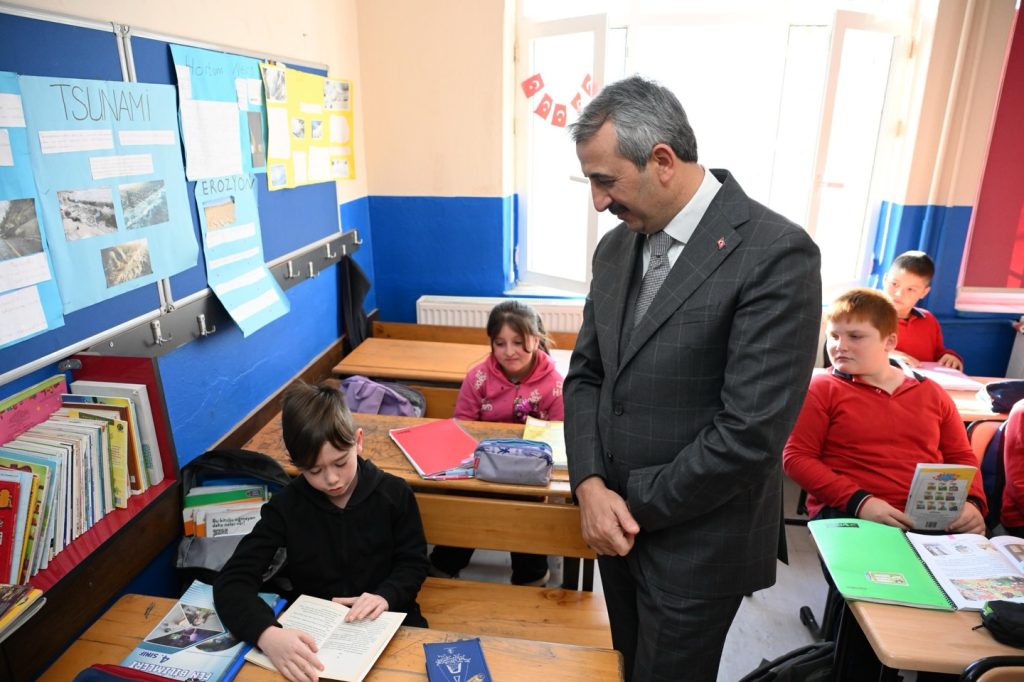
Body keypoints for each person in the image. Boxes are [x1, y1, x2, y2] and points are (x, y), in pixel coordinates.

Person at [564, 75, 822, 682]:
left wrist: (624, 502)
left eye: (605, 181)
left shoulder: (775, 254)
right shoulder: (616, 250)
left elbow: (748, 434)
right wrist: (590, 485)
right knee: (626, 666)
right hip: (614, 530)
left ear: (661, 161)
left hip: (699, 542)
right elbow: (586, 376)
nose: (598, 202)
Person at [214, 380, 428, 682]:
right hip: (317, 635)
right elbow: (232, 581)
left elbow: (413, 563)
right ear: (296, 463)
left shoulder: (394, 494)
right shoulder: (286, 507)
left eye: (340, 463)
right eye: (314, 471)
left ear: (358, 441)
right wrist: (267, 634)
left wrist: (386, 595)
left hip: (389, 618)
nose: (331, 479)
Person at [783, 288, 986, 531]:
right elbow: (796, 458)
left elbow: (961, 458)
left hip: (926, 515)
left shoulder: (932, 392)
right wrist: (861, 503)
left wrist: (973, 502)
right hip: (850, 510)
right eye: (834, 336)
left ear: (889, 342)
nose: (840, 346)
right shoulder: (821, 388)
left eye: (855, 336)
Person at [429, 299, 562, 586]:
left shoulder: (554, 383)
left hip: (529, 475)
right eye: (500, 343)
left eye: (518, 342)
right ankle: (443, 567)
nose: (509, 351)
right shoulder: (477, 378)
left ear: (535, 339)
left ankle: (531, 578)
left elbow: (558, 433)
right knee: (466, 512)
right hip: (484, 470)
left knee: (528, 518)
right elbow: (462, 426)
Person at [882, 250, 963, 370]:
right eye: (894, 284)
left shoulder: (928, 320)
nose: (899, 294)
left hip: (922, 380)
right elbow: (854, 350)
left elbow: (938, 353)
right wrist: (888, 354)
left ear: (924, 292)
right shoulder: (865, 316)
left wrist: (949, 357)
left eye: (910, 289)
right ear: (885, 279)